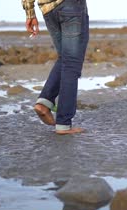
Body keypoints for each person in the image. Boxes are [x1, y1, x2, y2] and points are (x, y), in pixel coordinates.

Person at [22, 0, 89, 135]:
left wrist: (30, 14)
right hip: (71, 6)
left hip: (48, 10)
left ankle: (44, 103)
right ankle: (64, 123)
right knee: (71, 63)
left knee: (65, 58)